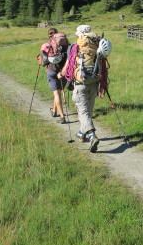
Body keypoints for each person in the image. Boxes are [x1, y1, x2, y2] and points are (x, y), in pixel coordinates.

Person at [58, 24, 101, 153]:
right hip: (94, 82)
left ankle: (92, 135)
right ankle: (82, 134)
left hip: (80, 82)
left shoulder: (75, 47)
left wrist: (61, 74)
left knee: (83, 111)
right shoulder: (97, 46)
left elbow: (69, 65)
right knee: (88, 111)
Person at [38, 27, 67, 124]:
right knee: (58, 91)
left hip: (51, 70)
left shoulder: (45, 45)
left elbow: (42, 61)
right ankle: (54, 111)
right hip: (63, 71)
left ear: (48, 35)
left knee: (56, 93)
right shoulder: (64, 44)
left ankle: (62, 116)